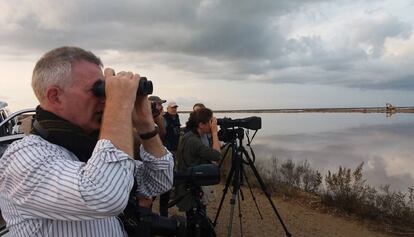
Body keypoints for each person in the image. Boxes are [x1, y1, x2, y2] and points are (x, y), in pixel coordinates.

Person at [0, 46, 174, 237]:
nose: (105, 100)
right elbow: (105, 195)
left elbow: (159, 182)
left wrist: (145, 125)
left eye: (106, 91)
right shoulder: (23, 158)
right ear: (55, 96)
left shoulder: (89, 148)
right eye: (98, 90)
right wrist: (119, 104)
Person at [175, 108, 221, 216]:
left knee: (195, 217)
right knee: (196, 218)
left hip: (189, 184)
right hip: (190, 190)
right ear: (201, 124)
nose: (212, 124)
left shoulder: (189, 135)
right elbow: (217, 156)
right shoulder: (194, 141)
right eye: (210, 122)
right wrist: (215, 132)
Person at [158, 101, 181, 217]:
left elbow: (177, 131)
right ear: (168, 109)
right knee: (168, 171)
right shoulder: (164, 118)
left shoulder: (176, 117)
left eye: (175, 108)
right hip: (168, 148)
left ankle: (171, 191)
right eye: (172, 108)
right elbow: (163, 132)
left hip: (176, 148)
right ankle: (167, 191)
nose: (174, 109)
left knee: (174, 169)